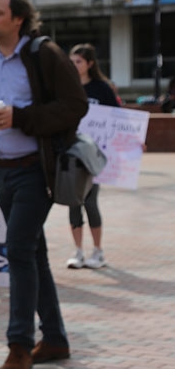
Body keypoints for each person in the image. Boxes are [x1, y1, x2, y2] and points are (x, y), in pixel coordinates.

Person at [0, 0, 87, 369]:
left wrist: (21, 118)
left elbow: (75, 105)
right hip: (1, 172)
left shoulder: (43, 54)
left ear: (18, 18)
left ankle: (19, 345)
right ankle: (56, 338)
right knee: (34, 254)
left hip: (35, 170)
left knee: (16, 250)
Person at [65, 44, 119, 270]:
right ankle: (78, 252)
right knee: (73, 202)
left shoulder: (102, 89)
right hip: (71, 154)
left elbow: (120, 120)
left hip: (94, 156)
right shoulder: (65, 88)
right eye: (72, 61)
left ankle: (98, 251)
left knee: (90, 201)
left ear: (90, 64)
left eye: (78, 61)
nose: (74, 65)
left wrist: (133, 145)